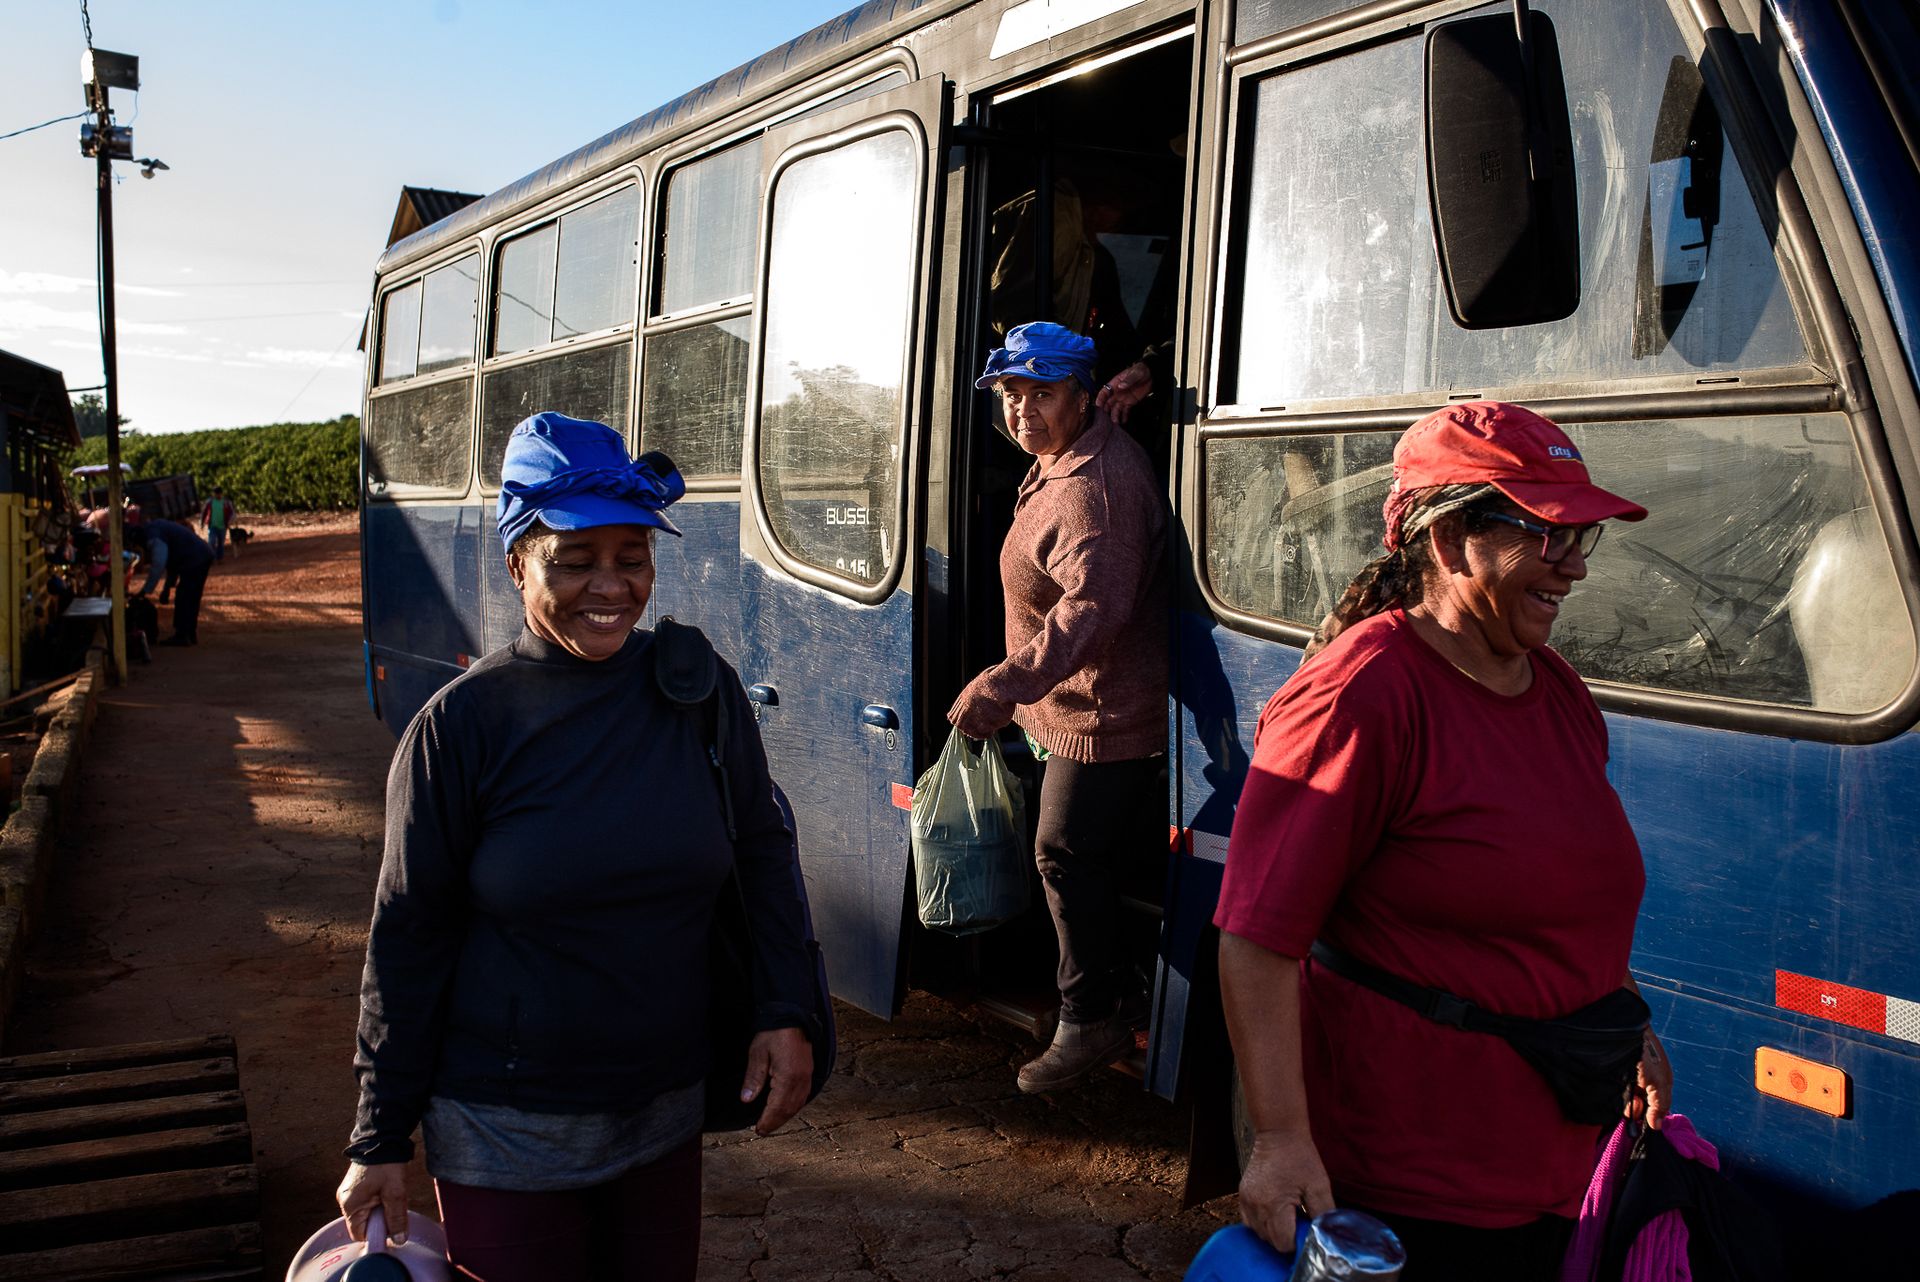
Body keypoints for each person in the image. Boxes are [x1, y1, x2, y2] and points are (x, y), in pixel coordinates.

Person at [335, 412, 818, 1281]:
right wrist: (379, 1135)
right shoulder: (461, 729)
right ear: (518, 561)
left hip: (661, 1113)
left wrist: (784, 1008)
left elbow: (761, 855)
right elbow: (408, 936)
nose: (610, 587)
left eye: (631, 560)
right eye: (574, 561)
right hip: (503, 1130)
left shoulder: (695, 694)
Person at [1214, 402, 1675, 1281]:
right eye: (1547, 534)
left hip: (1554, 1162)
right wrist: (1280, 1141)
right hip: (1418, 1183)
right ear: (1453, 540)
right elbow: (1257, 938)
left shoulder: (1555, 689)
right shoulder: (1362, 696)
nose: (1574, 566)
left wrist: (1625, 1016)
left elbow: (1567, 880)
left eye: (1584, 538)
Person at [948, 322, 1169, 1093]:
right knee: (1080, 858)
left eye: (1042, 392)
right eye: (1012, 394)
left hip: (1100, 718)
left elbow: (1091, 611)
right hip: (1067, 708)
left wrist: (1002, 685)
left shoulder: (1090, 488)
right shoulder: (1061, 462)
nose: (1022, 411)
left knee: (1065, 855)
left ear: (1083, 394)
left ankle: (1092, 1016)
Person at [132, 517, 214, 645]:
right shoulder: (158, 528)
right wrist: (167, 589)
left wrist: (146, 591)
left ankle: (182, 635)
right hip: (203, 555)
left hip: (195, 558)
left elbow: (159, 563)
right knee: (192, 596)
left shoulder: (153, 534)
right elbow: (173, 565)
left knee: (184, 596)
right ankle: (190, 633)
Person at [201, 487, 236, 562]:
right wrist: (202, 522)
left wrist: (230, 521)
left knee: (220, 543)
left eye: (218, 494)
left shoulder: (226, 502)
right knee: (212, 542)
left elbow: (232, 513)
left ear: (221, 493)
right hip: (212, 526)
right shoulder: (210, 502)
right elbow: (204, 512)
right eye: (215, 494)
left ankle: (219, 558)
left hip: (222, 526)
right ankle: (212, 558)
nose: (217, 495)